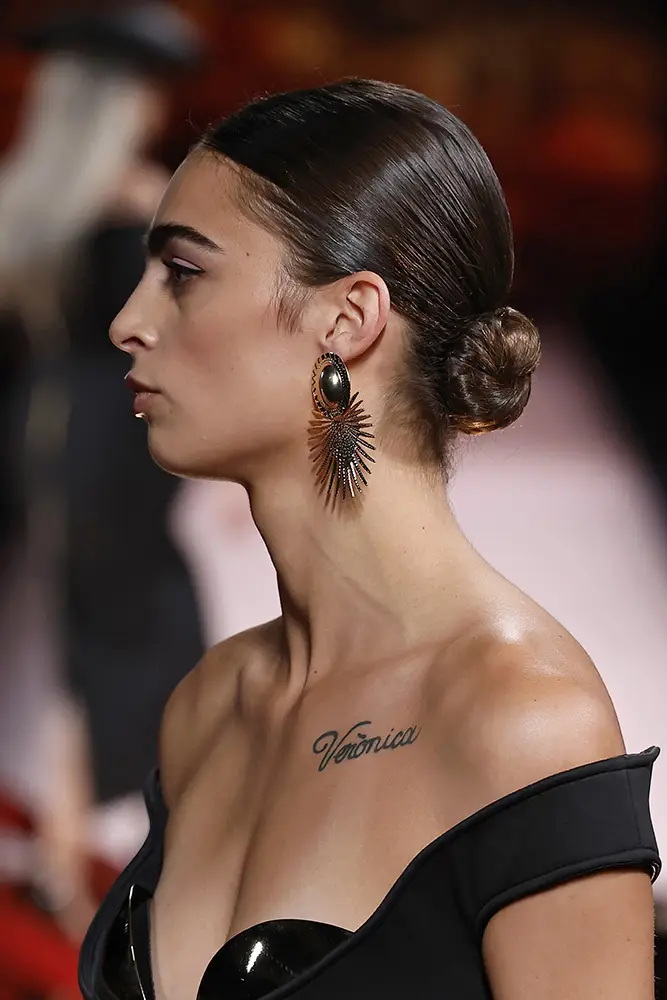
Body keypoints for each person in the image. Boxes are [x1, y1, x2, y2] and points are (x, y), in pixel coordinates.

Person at [80, 79, 661, 1000]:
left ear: (347, 320)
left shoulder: (519, 718)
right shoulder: (212, 707)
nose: (128, 323)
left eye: (183, 273)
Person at [0, 2, 204, 944]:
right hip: (114, 432)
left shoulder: (31, 199)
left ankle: (61, 853)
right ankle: (81, 858)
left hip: (44, 426)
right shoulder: (140, 207)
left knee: (65, 636)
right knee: (119, 634)